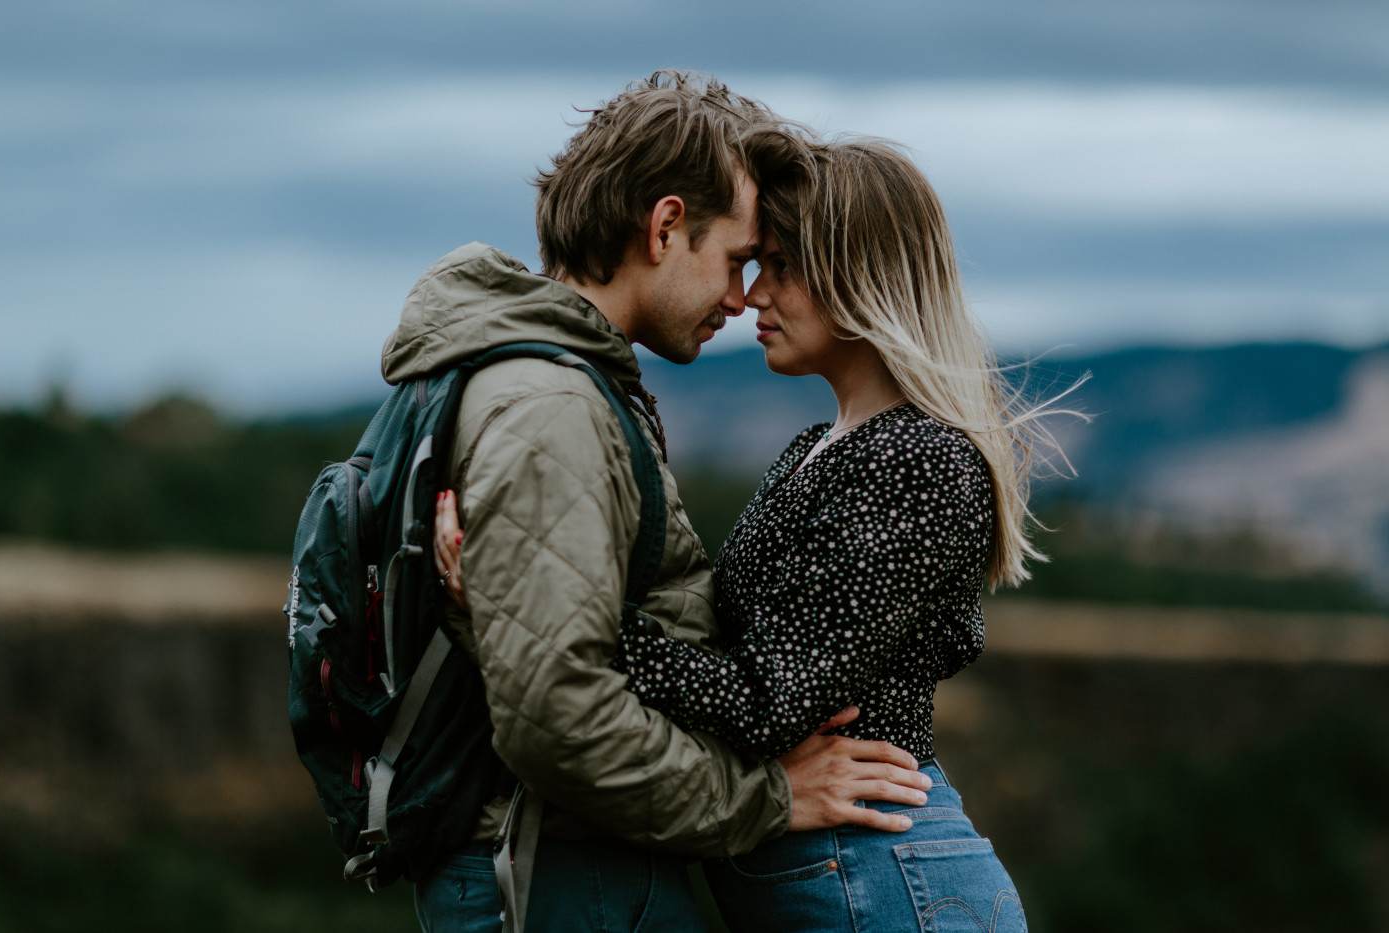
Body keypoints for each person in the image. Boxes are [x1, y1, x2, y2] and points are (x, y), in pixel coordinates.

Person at [439, 136, 1066, 931]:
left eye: (778, 265)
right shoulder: (815, 449)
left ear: (858, 273)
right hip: (832, 880)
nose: (751, 295)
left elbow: (766, 700)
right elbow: (718, 651)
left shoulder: (922, 460)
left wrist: (543, 610)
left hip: (882, 881)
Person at [387, 73, 931, 933]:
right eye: (737, 260)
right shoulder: (553, 408)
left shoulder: (565, 387)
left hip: (578, 865)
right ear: (666, 224)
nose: (740, 294)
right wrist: (767, 798)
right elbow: (560, 714)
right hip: (561, 875)